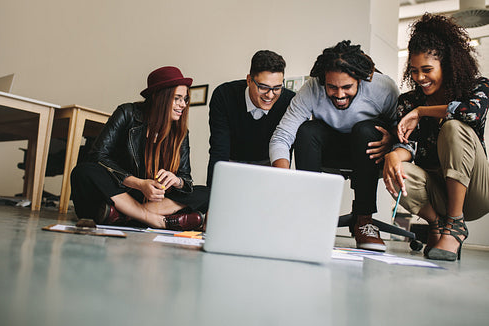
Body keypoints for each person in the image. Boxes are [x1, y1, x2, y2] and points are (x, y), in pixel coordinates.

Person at [270, 40, 399, 252]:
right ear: (324, 82)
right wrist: (283, 179)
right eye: (332, 87)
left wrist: (391, 140)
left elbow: (402, 127)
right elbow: (283, 135)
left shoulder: (382, 87)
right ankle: (311, 219)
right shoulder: (312, 88)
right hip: (329, 149)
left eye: (347, 87)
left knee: (365, 130)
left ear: (360, 80)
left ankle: (364, 220)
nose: (339, 95)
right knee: (306, 130)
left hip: (369, 150)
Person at [383, 13, 489, 261]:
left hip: (476, 191)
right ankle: (436, 224)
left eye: (427, 70)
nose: (420, 78)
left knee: (453, 127)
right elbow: (408, 145)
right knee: (398, 168)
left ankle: (455, 224)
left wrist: (422, 112)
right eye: (414, 71)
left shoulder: (477, 87)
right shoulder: (408, 101)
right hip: (436, 193)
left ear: (448, 65)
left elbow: (470, 113)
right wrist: (393, 156)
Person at [71, 66, 209, 230]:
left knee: (208, 193)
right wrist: (139, 184)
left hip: (152, 199)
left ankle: (124, 215)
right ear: (159, 97)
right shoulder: (127, 113)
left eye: (185, 99)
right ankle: (153, 219)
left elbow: (186, 180)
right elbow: (98, 156)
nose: (183, 105)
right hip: (120, 191)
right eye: (177, 98)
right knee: (84, 171)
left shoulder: (181, 132)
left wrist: (176, 180)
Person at [206, 50, 296, 186]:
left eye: (277, 88)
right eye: (263, 87)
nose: (270, 95)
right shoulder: (224, 95)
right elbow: (219, 151)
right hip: (232, 163)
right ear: (249, 80)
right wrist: (211, 196)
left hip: (270, 163)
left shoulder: (289, 101)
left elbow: (285, 148)